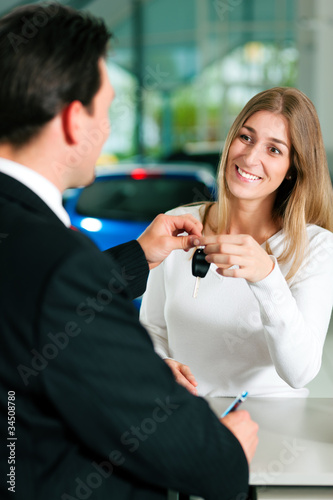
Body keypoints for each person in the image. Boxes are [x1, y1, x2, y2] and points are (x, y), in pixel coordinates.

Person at [0, 4, 259, 500]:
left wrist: (138, 255)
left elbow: (33, 307)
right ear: (76, 121)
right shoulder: (60, 262)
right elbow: (192, 456)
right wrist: (226, 450)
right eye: (108, 109)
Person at [140, 87, 333, 398]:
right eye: (246, 137)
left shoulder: (317, 247)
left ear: (292, 170)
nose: (251, 156)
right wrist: (160, 363)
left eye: (274, 150)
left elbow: (300, 373)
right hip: (184, 419)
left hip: (272, 427)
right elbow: (152, 328)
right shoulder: (178, 225)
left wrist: (267, 277)